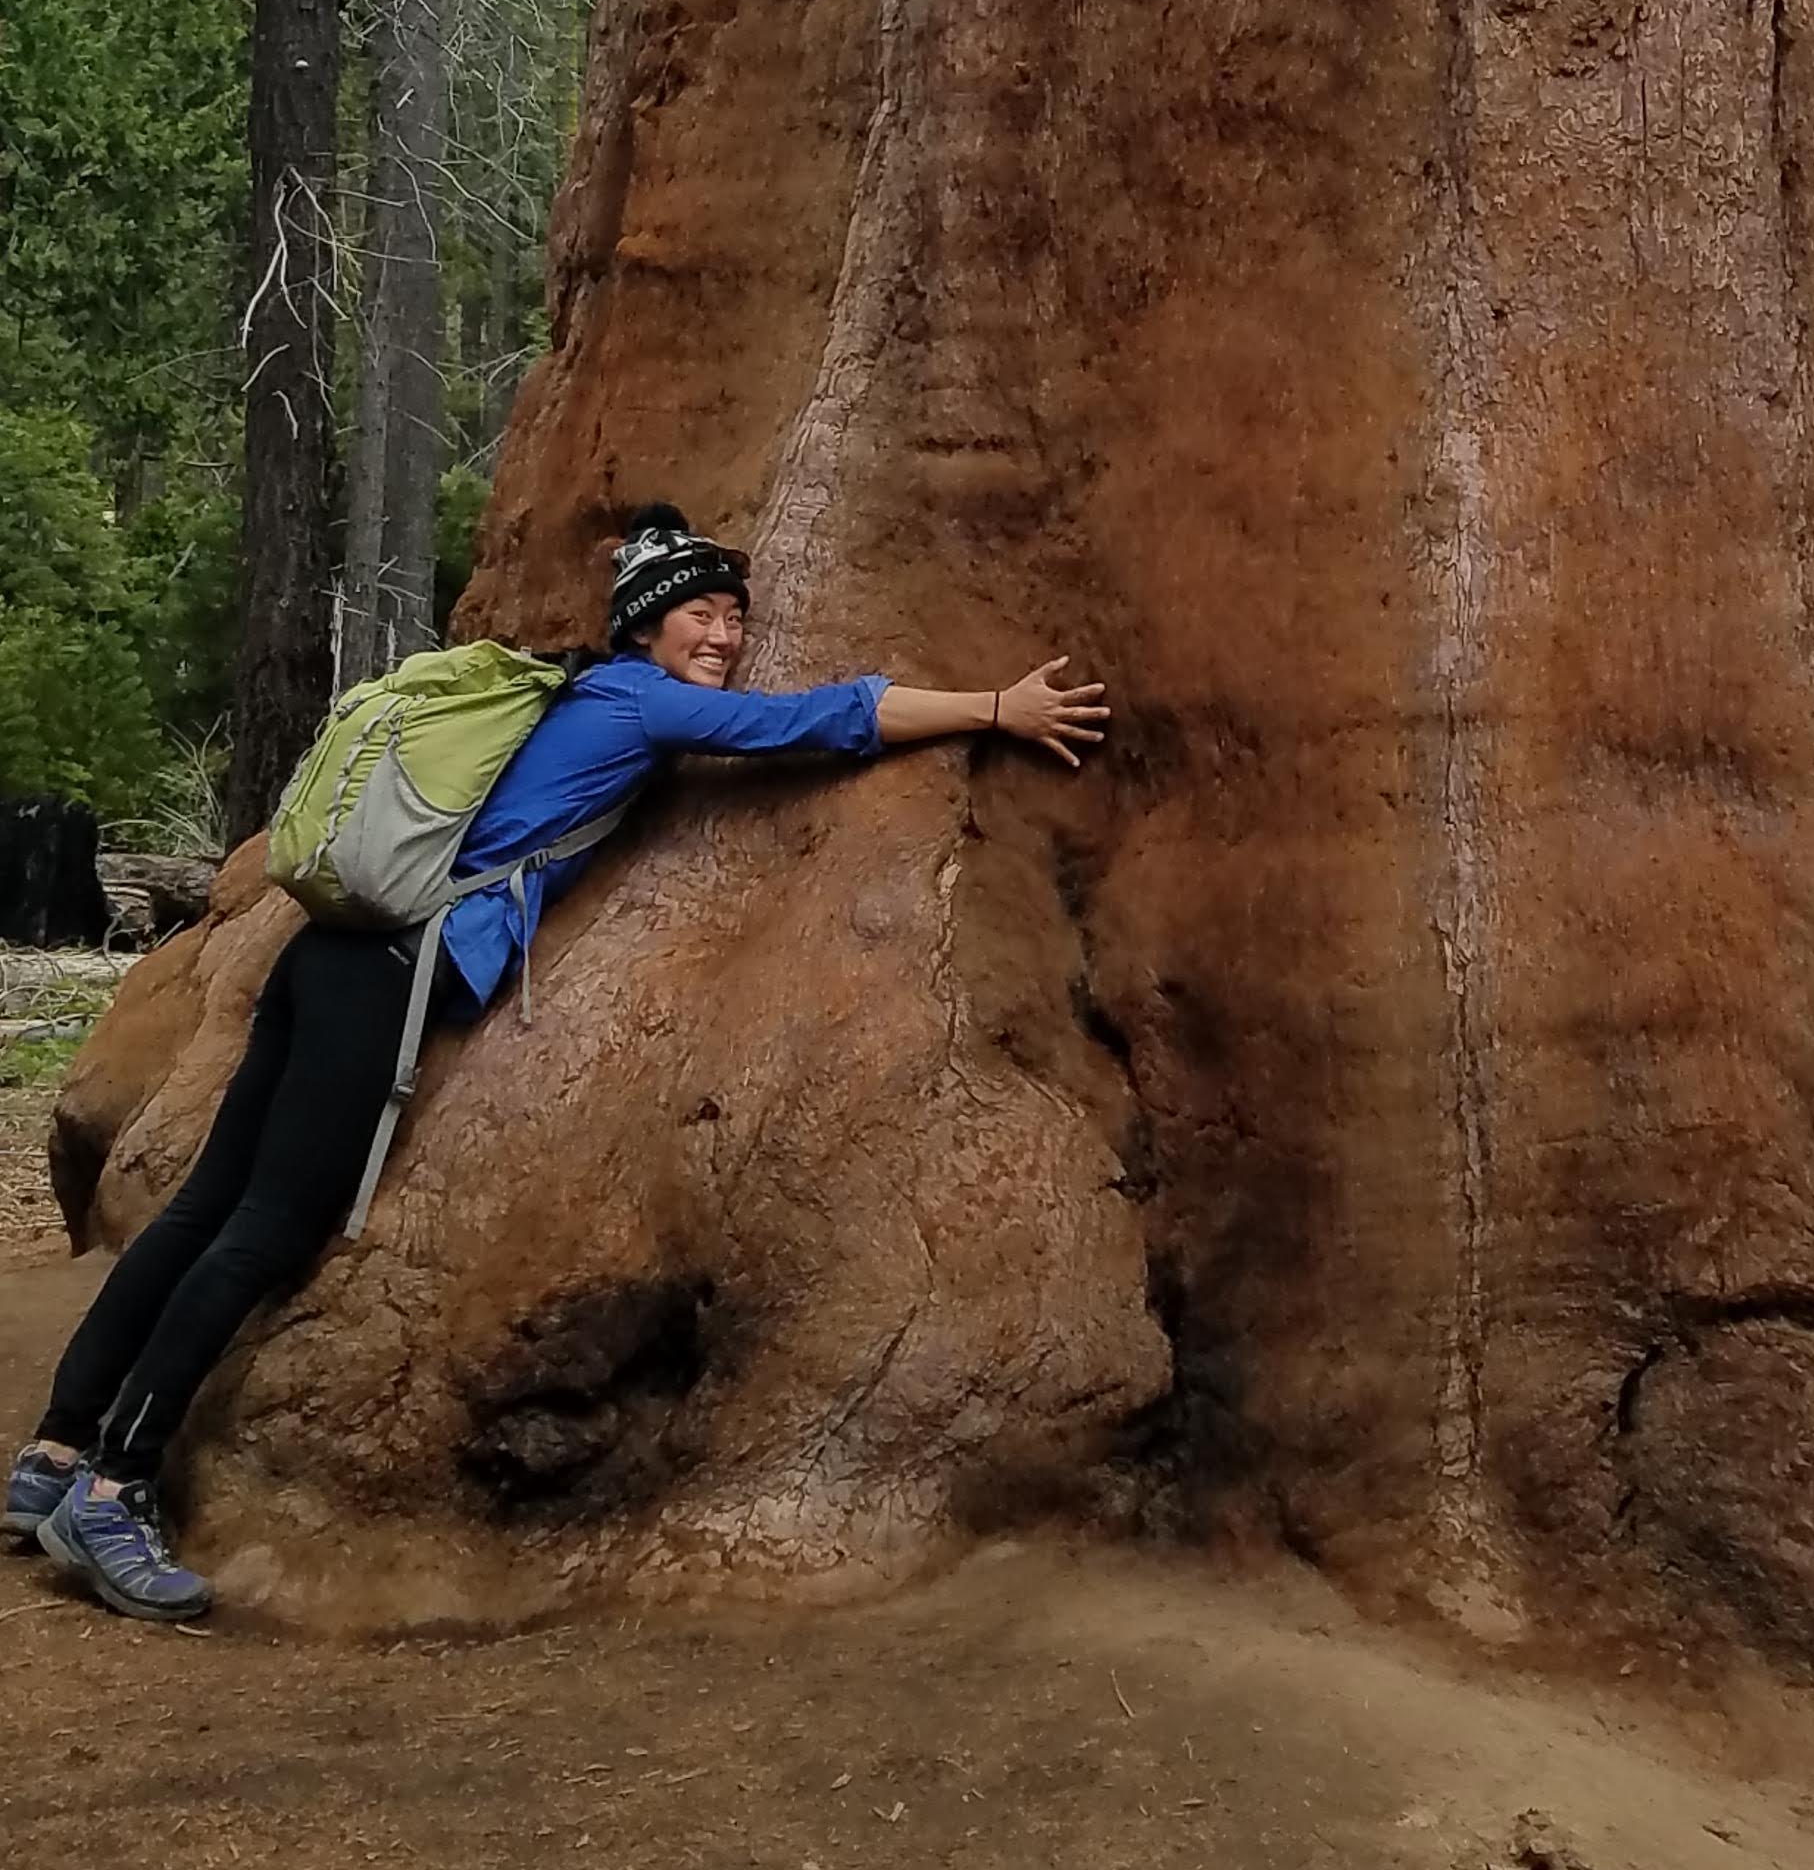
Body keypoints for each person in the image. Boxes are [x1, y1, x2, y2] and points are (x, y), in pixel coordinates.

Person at [4, 503, 1107, 1626]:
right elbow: (820, 721)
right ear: (644, 628)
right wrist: (993, 708)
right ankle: (111, 1486)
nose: (721, 637)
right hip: (387, 970)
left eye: (734, 616)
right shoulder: (638, 701)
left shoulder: (578, 693)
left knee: (204, 1211)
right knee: (267, 1231)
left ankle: (52, 1453)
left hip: (323, 957)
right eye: (697, 615)